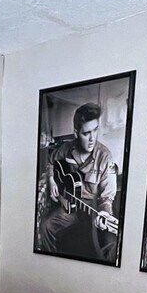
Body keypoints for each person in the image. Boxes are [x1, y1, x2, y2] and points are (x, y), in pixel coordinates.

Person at [38, 102, 119, 255]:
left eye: (95, 130)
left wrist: (105, 213)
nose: (92, 138)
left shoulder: (105, 158)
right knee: (46, 227)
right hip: (70, 207)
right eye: (86, 133)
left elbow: (106, 198)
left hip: (93, 210)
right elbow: (51, 162)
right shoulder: (66, 149)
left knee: (107, 246)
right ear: (76, 133)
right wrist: (52, 180)